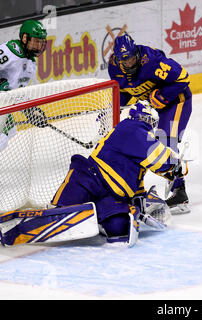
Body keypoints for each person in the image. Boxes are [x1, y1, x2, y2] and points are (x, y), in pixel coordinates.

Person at [50, 101, 186, 245]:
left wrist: (140, 205)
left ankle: (95, 217)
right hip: (92, 180)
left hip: (111, 195)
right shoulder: (132, 129)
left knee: (119, 227)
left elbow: (139, 180)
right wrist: (176, 165)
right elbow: (159, 158)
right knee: (75, 190)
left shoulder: (137, 142)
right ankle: (58, 211)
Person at [108, 32, 192, 214]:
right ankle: (134, 191)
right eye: (125, 61)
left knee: (166, 143)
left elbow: (183, 77)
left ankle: (180, 191)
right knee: (138, 146)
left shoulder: (152, 61)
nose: (129, 63)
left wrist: (161, 96)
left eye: (131, 58)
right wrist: (114, 108)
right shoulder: (113, 67)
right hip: (150, 108)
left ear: (136, 53)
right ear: (117, 59)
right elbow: (124, 92)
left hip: (177, 101)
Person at [0, 20, 47, 203]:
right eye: (35, 41)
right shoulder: (12, 50)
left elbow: (16, 93)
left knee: (9, 130)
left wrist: (30, 111)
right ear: (24, 38)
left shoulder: (31, 66)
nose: (39, 46)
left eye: (41, 42)